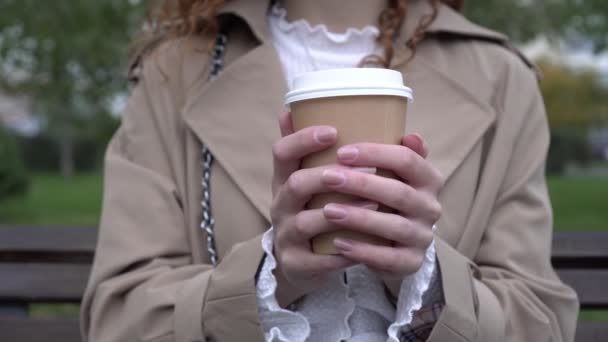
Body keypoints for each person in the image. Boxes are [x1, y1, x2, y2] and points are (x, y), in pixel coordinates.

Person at [80, 0, 579, 341]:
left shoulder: (501, 78)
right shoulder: (174, 73)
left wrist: (425, 281)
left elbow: (541, 321)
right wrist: (265, 278)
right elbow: (118, 318)